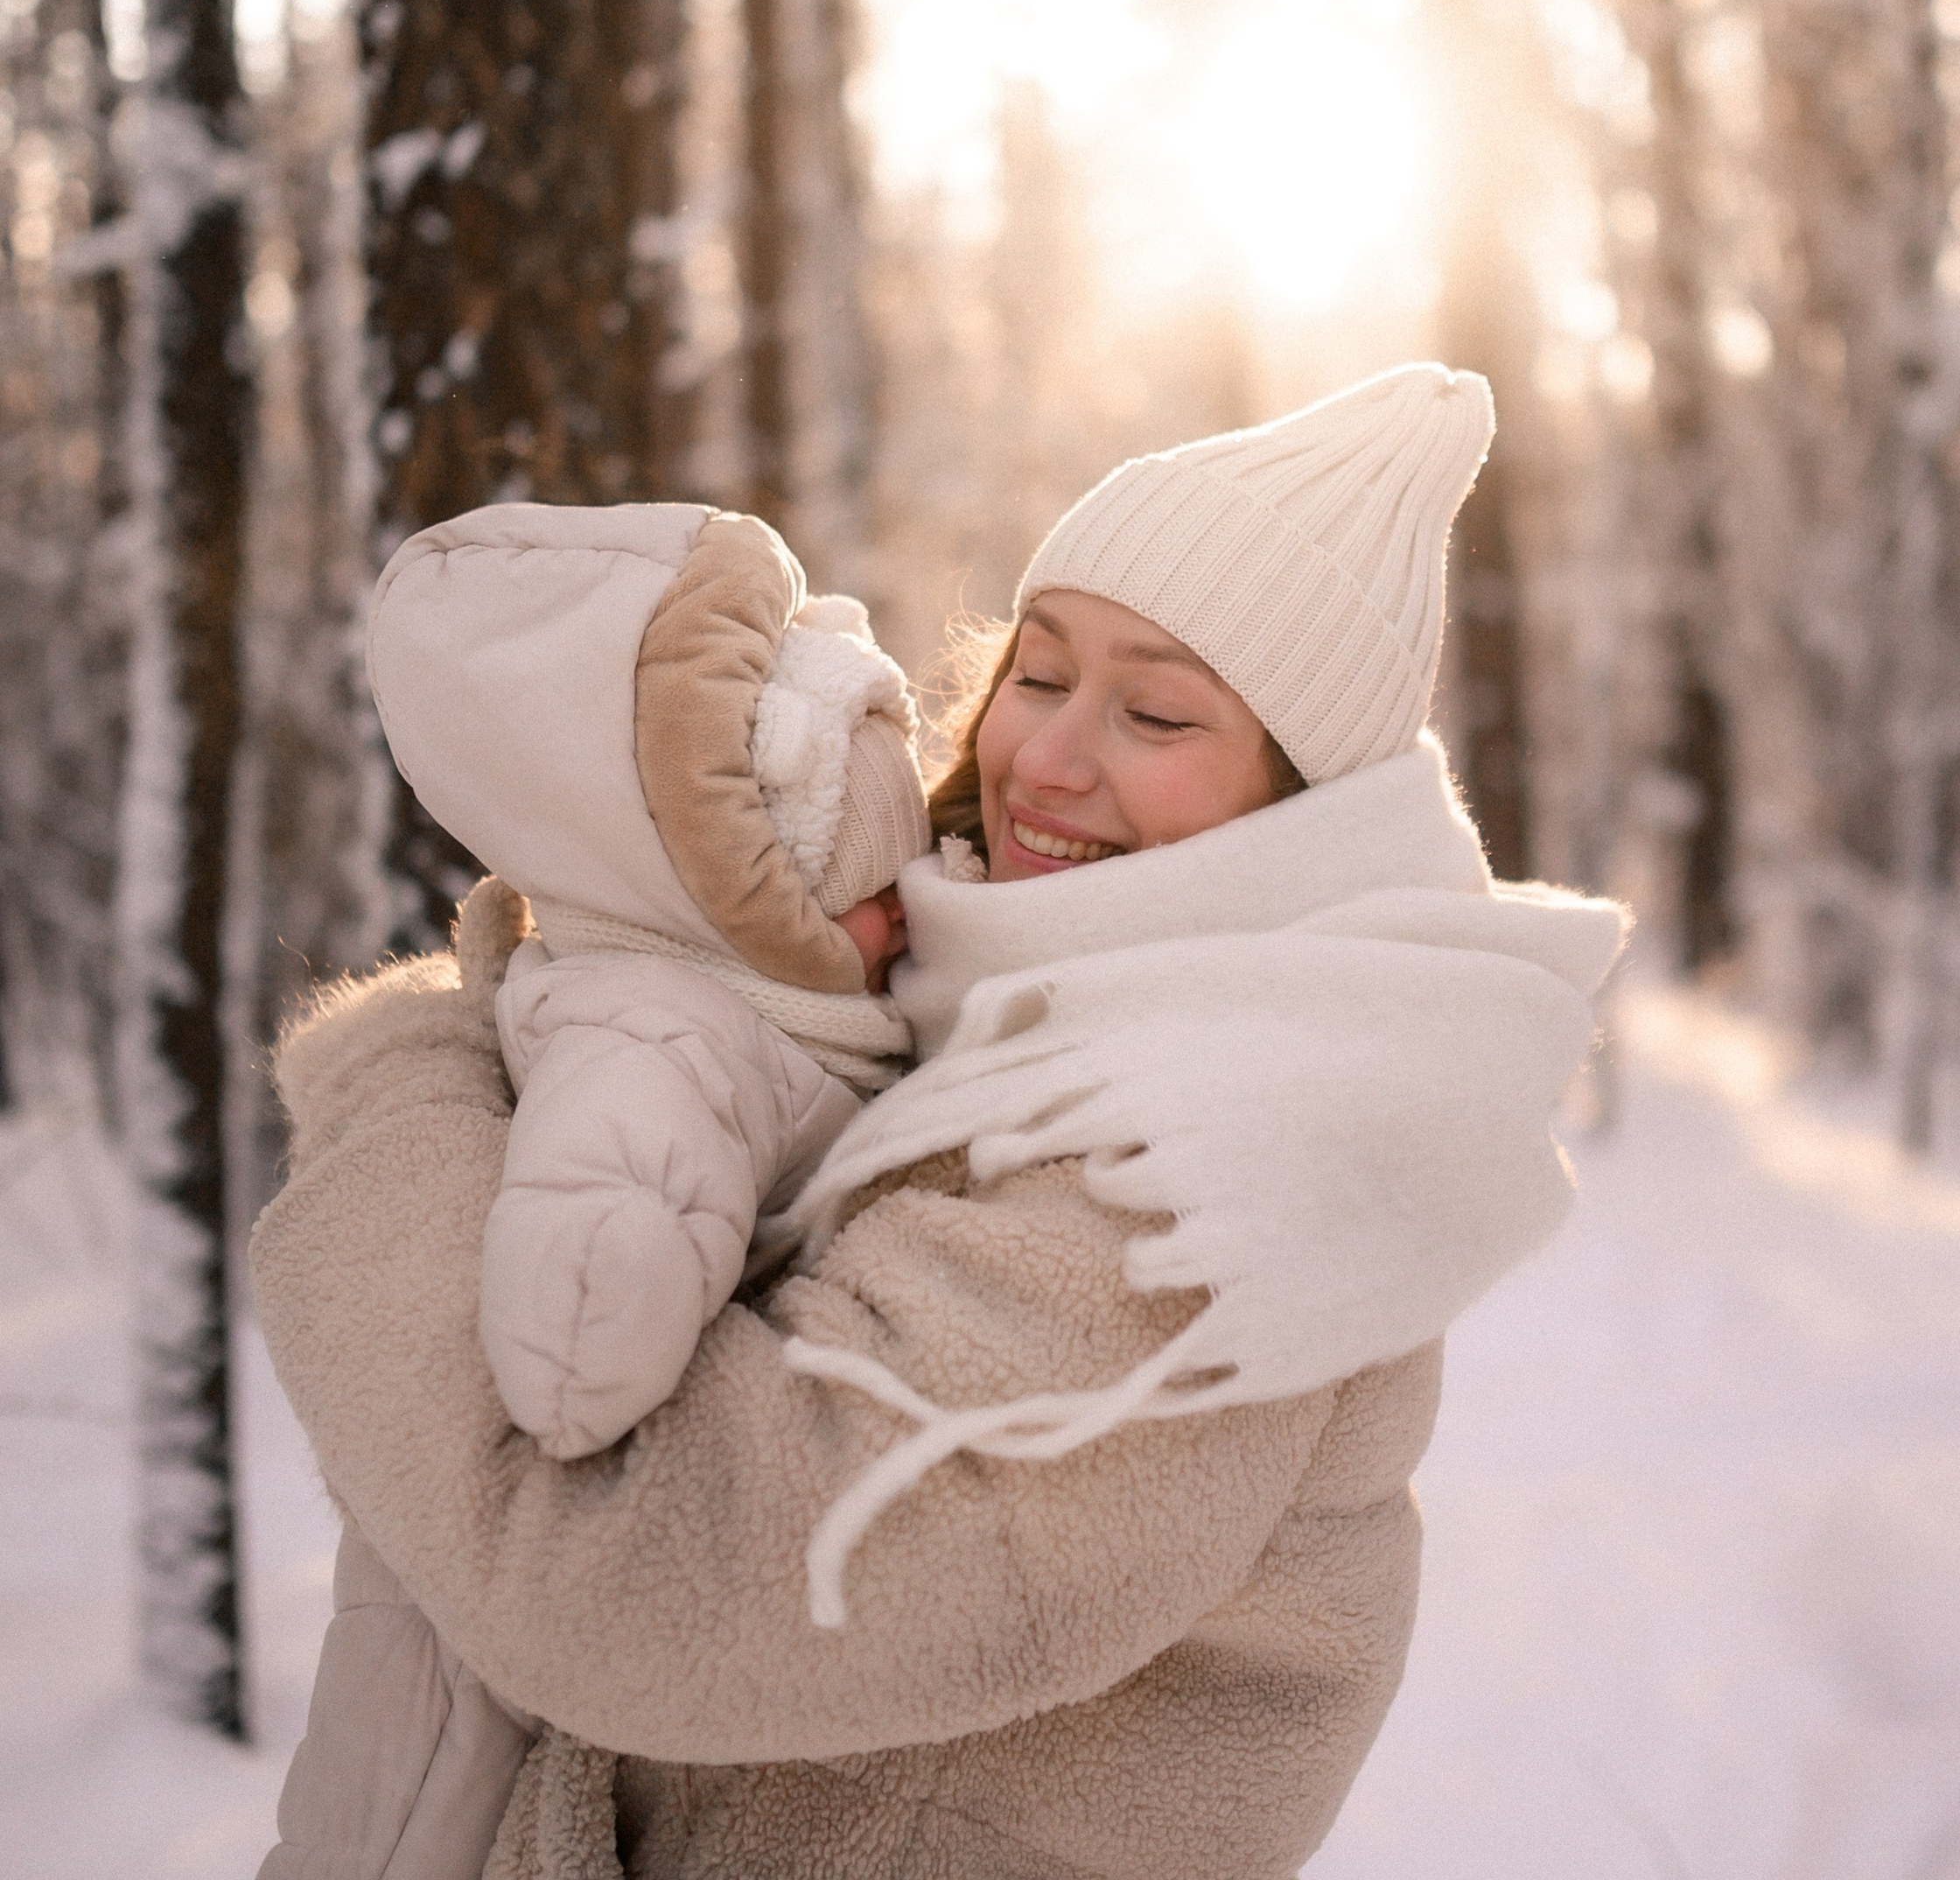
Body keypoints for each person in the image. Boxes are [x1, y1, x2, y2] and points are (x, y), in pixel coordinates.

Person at [253, 362, 1628, 1880]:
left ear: (1295, 805)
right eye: (1039, 673)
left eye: (1157, 711)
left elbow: (629, 1583)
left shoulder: (1213, 1176)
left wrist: (404, 1081)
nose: (1047, 757)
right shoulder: (970, 1005)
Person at [260, 502, 929, 1877]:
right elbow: (578, 1305)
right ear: (748, 889)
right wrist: (605, 1305)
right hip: (475, 1613)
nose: (911, 906)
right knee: (404, 1806)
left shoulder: (744, 1006)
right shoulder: (664, 1029)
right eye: (872, 886)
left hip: (543, 1644)